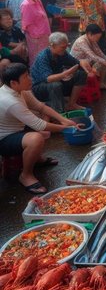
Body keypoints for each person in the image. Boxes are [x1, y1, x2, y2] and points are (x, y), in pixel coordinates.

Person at [0, 63, 80, 194]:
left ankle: (37, 159)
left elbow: (41, 107)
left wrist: (64, 120)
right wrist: (66, 128)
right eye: (26, 76)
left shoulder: (21, 90)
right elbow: (39, 125)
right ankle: (26, 175)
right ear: (14, 83)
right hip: (3, 140)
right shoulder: (9, 101)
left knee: (44, 131)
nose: (30, 79)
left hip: (18, 129)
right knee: (36, 138)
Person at [31, 32, 92, 113]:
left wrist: (82, 62)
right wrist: (65, 74)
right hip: (40, 88)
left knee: (81, 74)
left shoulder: (62, 53)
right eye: (63, 47)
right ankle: (59, 112)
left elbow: (75, 62)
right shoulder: (43, 57)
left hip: (57, 82)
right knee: (56, 84)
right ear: (52, 45)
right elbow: (48, 79)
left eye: (67, 46)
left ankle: (72, 104)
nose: (65, 49)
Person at [71, 23, 106, 91]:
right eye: (97, 37)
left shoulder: (91, 39)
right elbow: (93, 56)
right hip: (78, 64)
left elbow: (100, 54)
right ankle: (95, 80)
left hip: (87, 61)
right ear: (89, 33)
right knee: (102, 63)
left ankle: (101, 84)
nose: (97, 40)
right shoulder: (81, 41)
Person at [20, 0, 51, 67]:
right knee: (37, 59)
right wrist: (35, 36)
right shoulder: (26, 5)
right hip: (36, 38)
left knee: (45, 57)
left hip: (44, 35)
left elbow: (43, 17)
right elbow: (26, 25)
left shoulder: (38, 1)